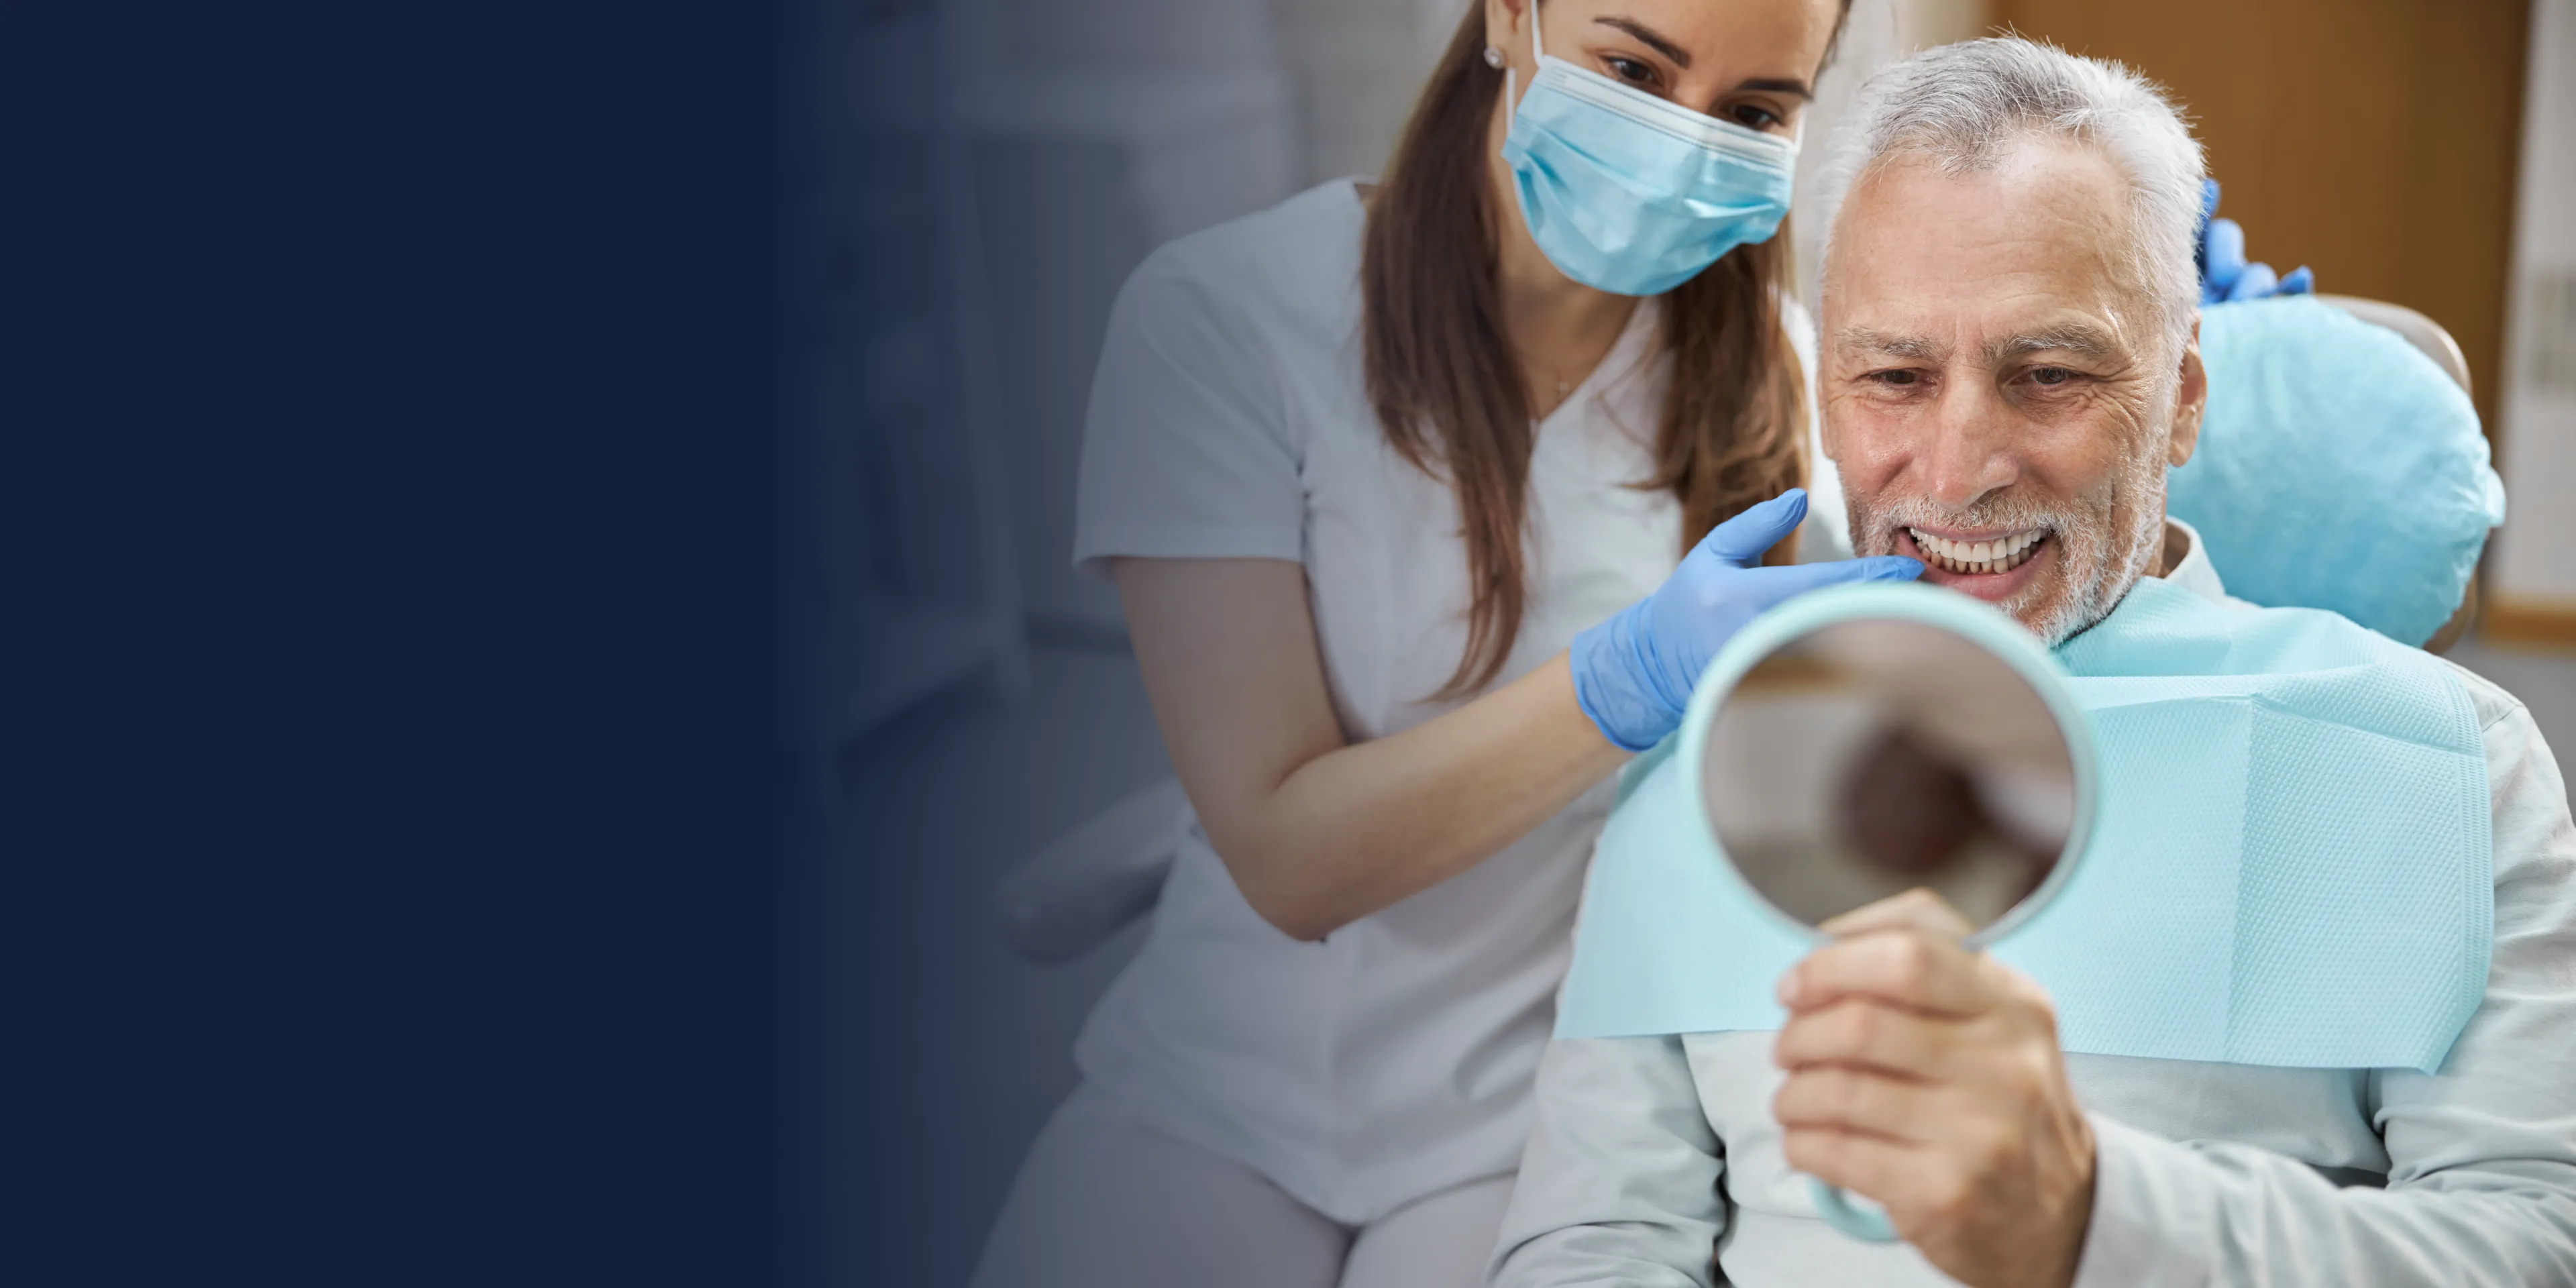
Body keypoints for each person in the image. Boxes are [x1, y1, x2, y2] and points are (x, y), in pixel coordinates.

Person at [1489, 37, 2576, 1287]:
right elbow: (1592, 1240)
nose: (1956, 474)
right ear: (1827, 396)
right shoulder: (1706, 762)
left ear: (2180, 398)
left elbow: (2536, 1242)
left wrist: (2095, 1219)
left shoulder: (2445, 764)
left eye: (2047, 375)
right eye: (1893, 377)